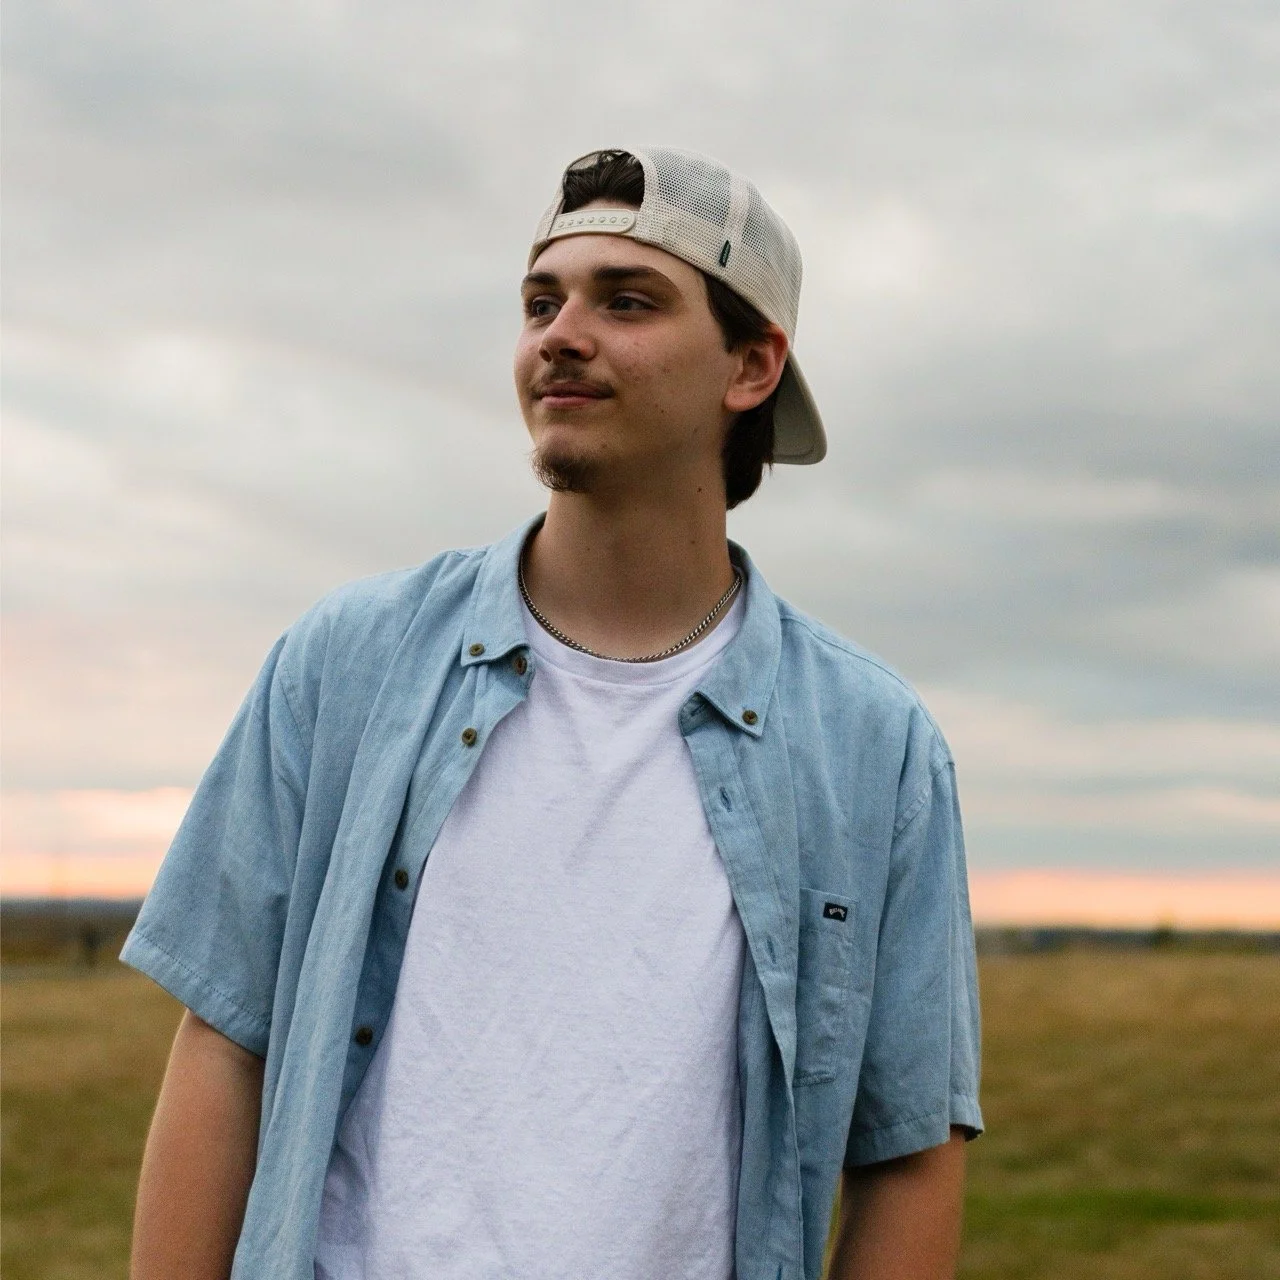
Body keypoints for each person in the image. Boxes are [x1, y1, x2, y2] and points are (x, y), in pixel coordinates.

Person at [124, 147, 983, 1280]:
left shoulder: (873, 744)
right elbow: (225, 1040)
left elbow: (908, 1148)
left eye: (626, 301)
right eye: (541, 301)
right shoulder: (347, 663)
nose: (559, 334)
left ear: (751, 364)